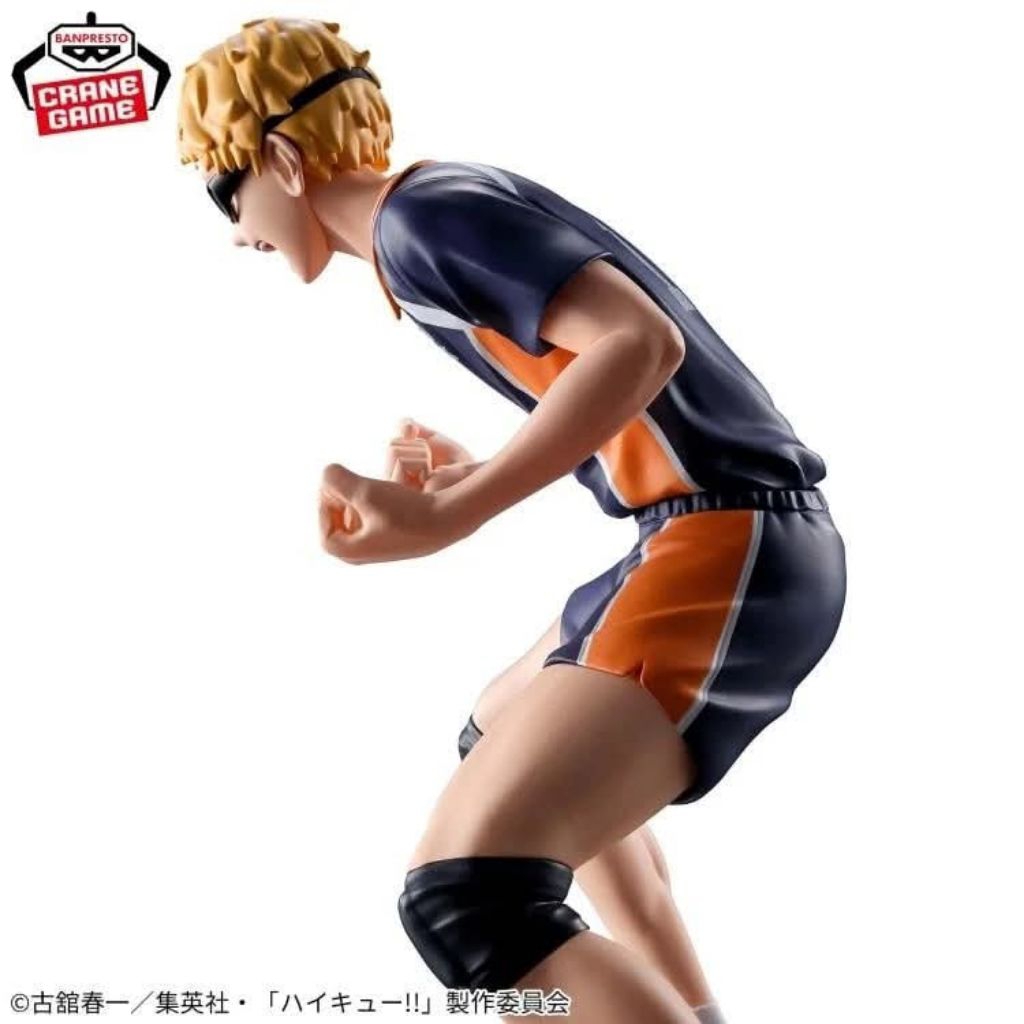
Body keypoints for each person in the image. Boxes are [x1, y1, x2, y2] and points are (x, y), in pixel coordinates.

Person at [178, 18, 847, 1023]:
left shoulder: (419, 222)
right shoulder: (436, 212)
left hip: (732, 544)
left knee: (470, 900)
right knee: (497, 733)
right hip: (708, 535)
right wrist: (475, 471)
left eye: (224, 191)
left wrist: (455, 510)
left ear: (280, 158)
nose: (236, 230)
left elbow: (641, 345)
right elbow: (627, 386)